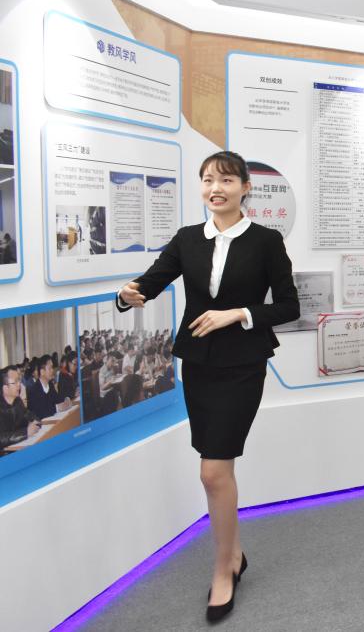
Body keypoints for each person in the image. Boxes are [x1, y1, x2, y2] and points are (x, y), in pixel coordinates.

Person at [116, 150, 299, 623]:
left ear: (245, 187)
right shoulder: (187, 239)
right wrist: (126, 294)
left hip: (243, 366)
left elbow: (289, 305)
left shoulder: (266, 241)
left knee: (213, 472)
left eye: (226, 180)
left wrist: (238, 314)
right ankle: (233, 554)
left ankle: (223, 569)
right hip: (198, 365)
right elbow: (149, 284)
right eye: (207, 180)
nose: (215, 188)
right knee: (217, 469)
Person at [1, 365, 40, 454]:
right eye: (15, 382)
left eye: (19, 380)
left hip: (19, 450)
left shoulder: (18, 402)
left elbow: (31, 416)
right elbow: (1, 438)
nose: (19, 384)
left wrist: (35, 423)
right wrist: (25, 433)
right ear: (5, 388)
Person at [27, 355, 70, 420]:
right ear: (42, 372)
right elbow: (40, 412)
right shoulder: (34, 390)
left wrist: (66, 399)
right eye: (50, 368)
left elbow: (57, 399)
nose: (52, 370)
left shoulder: (50, 385)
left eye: (52, 367)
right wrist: (57, 408)